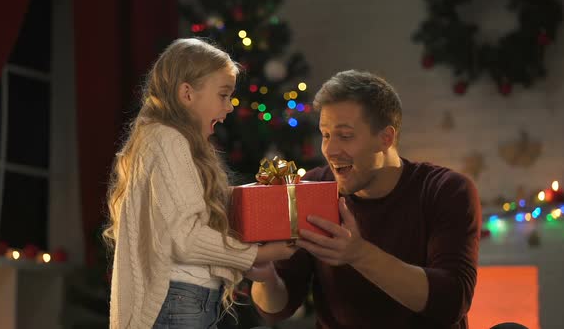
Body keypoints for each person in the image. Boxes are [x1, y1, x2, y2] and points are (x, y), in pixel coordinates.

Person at [248, 70, 482, 328]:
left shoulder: (445, 190)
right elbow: (277, 309)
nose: (330, 150)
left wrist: (358, 254)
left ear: (386, 138)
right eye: (326, 135)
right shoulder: (314, 188)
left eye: (345, 135)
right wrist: (267, 277)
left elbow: (451, 301)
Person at [104, 38, 295, 329]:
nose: (229, 107)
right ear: (187, 93)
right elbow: (186, 238)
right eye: (223, 95)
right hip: (179, 302)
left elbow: (182, 224)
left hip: (184, 300)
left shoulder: (165, 141)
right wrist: (261, 254)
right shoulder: (168, 140)